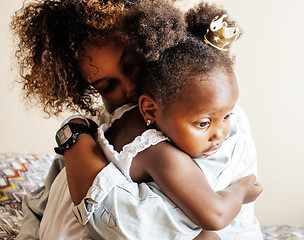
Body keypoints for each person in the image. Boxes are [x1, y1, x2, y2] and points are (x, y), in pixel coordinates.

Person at [10, 0, 262, 239]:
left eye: (131, 64)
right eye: (108, 85)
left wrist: (76, 138)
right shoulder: (109, 123)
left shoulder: (213, 119)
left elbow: (153, 223)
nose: (130, 89)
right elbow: (44, 199)